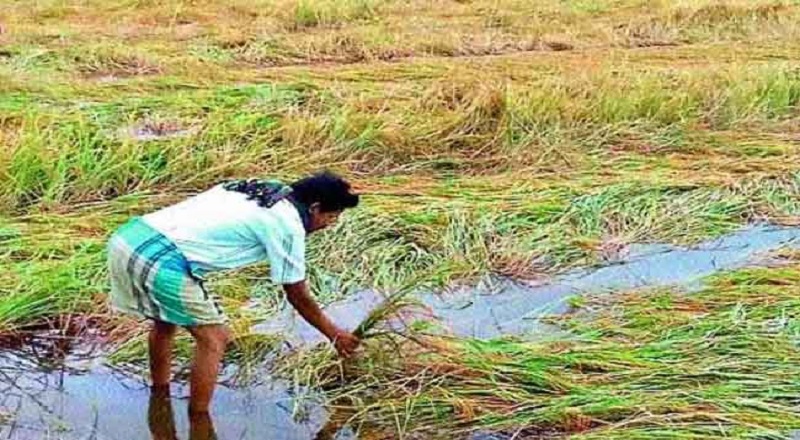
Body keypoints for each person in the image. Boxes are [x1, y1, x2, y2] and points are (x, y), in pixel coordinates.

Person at [108, 171, 361, 414]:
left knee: (165, 323)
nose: (330, 225)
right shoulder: (288, 225)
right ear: (315, 208)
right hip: (161, 259)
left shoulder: (262, 188)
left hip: (130, 238)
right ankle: (200, 422)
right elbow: (297, 294)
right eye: (332, 216)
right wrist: (334, 333)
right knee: (214, 338)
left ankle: (159, 396)